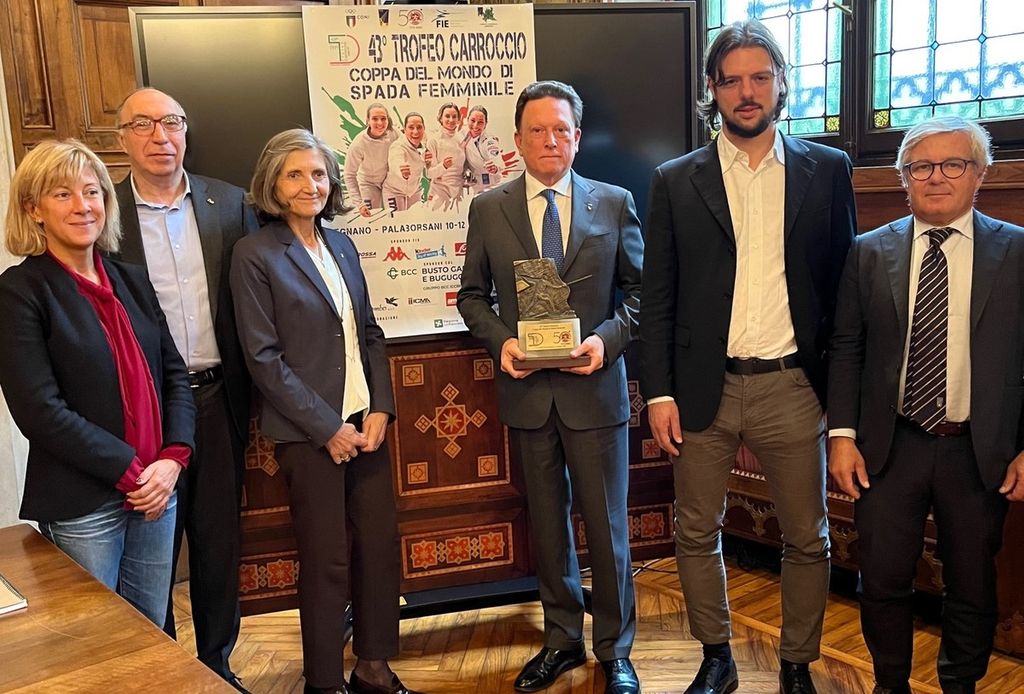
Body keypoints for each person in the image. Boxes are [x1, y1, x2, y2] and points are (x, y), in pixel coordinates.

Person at [639, 19, 856, 694]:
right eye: (731, 80)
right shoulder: (675, 180)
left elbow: (844, 294)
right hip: (703, 388)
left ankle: (796, 662)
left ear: (782, 82)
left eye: (760, 76)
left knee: (808, 537)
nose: (747, 91)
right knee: (695, 530)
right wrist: (658, 393)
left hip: (793, 386)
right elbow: (658, 295)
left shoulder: (827, 171)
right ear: (712, 89)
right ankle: (717, 657)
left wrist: (842, 405)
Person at [458, 80, 643, 694]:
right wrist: (502, 342)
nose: (550, 140)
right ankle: (562, 640)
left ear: (578, 137)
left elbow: (642, 295)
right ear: (517, 140)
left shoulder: (613, 203)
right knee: (548, 525)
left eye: (561, 129)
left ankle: (615, 650)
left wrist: (606, 342)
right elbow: (471, 297)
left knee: (608, 528)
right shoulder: (490, 209)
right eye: (537, 130)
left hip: (595, 393)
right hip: (529, 396)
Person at [828, 116, 1024, 694]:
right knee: (881, 579)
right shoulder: (868, 252)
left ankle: (960, 684)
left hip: (978, 450)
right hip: (891, 447)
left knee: (973, 585)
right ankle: (890, 684)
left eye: (953, 164)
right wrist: (841, 435)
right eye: (920, 166)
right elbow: (847, 347)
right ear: (903, 177)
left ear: (979, 174)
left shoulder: (1017, 251)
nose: (936, 177)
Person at [230, 128, 418, 694]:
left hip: (366, 425)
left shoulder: (342, 245)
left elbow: (369, 332)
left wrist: (381, 408)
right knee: (326, 557)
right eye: (295, 174)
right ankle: (324, 682)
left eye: (318, 174)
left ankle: (373, 667)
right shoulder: (255, 254)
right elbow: (263, 358)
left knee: (379, 548)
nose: (310, 185)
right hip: (309, 433)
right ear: (272, 184)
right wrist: (326, 427)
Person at [0, 139, 195, 629]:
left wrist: (173, 458)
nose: (83, 205)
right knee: (97, 643)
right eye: (62, 194)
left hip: (157, 491)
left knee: (151, 634)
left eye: (92, 192)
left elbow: (174, 375)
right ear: (34, 209)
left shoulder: (132, 280)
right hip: (86, 502)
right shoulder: (20, 291)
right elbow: (40, 411)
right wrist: (130, 471)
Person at [111, 86, 257, 691]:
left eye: (171, 122)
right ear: (122, 139)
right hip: (142, 407)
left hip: (219, 398)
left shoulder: (231, 203)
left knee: (219, 543)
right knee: (153, 549)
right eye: (142, 125)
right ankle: (166, 670)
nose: (160, 136)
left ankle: (217, 665)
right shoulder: (104, 212)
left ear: (186, 131)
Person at [343, 102, 398, 217]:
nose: (380, 123)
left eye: (383, 119)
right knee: (371, 218)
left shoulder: (394, 134)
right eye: (375, 119)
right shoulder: (359, 143)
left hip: (390, 182)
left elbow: (409, 147)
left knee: (396, 217)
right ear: (368, 121)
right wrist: (359, 203)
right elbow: (349, 174)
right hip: (369, 184)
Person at [382, 112, 429, 213]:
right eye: (411, 127)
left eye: (419, 127)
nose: (415, 132)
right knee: (396, 221)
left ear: (424, 128)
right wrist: (402, 171)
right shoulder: (398, 146)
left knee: (416, 220)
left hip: (414, 191)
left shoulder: (425, 144)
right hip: (394, 191)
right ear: (405, 129)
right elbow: (396, 161)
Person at [426, 102, 467, 209]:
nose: (451, 120)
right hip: (439, 191)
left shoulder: (462, 139)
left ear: (458, 119)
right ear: (441, 118)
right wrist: (443, 166)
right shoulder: (433, 141)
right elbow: (429, 173)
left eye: (454, 116)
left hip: (459, 192)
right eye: (447, 116)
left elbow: (465, 165)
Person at [463, 105, 504, 194]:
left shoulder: (489, 140)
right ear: (467, 120)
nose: (475, 125)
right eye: (472, 120)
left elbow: (497, 160)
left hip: (493, 186)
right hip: (476, 187)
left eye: (480, 122)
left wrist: (495, 168)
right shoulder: (463, 136)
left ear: (486, 124)